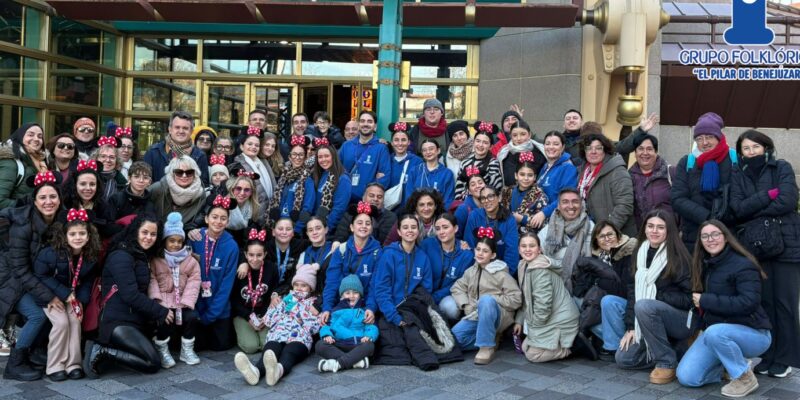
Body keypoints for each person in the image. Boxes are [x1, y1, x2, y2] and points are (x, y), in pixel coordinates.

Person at [730, 129, 800, 377]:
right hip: (756, 247)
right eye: (746, 149)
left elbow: (789, 200)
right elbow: (737, 208)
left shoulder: (781, 167)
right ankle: (769, 355)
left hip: (785, 246)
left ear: (765, 148)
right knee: (766, 303)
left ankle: (786, 358)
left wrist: (754, 209)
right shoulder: (739, 173)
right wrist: (768, 196)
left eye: (755, 147)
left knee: (786, 304)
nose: (751, 152)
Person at [675, 221, 771, 397]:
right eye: (705, 236)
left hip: (754, 334)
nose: (710, 239)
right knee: (687, 377)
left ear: (726, 237)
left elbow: (749, 302)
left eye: (715, 234)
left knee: (715, 332)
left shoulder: (743, 264)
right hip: (716, 333)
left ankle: (744, 377)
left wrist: (706, 300)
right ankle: (730, 364)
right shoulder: (704, 264)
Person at [82, 214, 171, 377]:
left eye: (153, 234)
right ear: (135, 231)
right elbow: (130, 295)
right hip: (116, 322)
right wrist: (161, 311)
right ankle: (102, 350)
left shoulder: (140, 254)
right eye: (145, 232)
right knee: (152, 363)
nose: (149, 237)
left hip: (133, 320)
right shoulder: (121, 255)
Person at [612, 210, 694, 385]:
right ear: (645, 228)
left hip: (681, 320)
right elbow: (633, 292)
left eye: (660, 227)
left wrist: (657, 295)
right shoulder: (639, 253)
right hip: (649, 321)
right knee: (624, 359)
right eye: (650, 226)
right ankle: (677, 350)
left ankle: (666, 362)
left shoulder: (678, 257)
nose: (654, 231)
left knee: (645, 306)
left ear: (669, 231)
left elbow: (689, 299)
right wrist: (630, 327)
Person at [0, 172, 64, 380]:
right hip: (10, 278)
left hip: (29, 278)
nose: (48, 202)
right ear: (34, 201)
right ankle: (14, 364)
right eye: (43, 198)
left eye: (52, 197)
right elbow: (19, 269)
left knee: (48, 310)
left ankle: (34, 353)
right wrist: (49, 295)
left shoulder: (58, 221)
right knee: (38, 314)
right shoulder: (23, 225)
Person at [31, 208, 98, 381]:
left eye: (82, 233)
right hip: (48, 295)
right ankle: (55, 365)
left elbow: (89, 279)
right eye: (73, 234)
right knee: (61, 324)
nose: (78, 237)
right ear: (65, 236)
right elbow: (40, 275)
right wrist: (61, 293)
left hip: (73, 297)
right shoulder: (51, 253)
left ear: (88, 236)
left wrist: (81, 299)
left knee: (75, 321)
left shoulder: (90, 255)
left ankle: (73, 364)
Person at [233, 263, 321, 386]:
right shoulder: (286, 298)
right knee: (270, 350)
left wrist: (299, 316)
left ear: (310, 288)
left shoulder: (313, 302)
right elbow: (270, 318)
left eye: (304, 286)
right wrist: (276, 310)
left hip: (300, 335)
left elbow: (316, 326)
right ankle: (256, 371)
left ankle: (278, 370)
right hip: (279, 331)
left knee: (289, 353)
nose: (299, 288)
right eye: (296, 285)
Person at [372, 214, 441, 369]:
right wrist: (394, 316)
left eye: (413, 227)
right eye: (405, 227)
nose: (410, 230)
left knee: (414, 331)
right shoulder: (389, 254)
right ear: (399, 231)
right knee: (393, 339)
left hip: (412, 309)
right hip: (391, 309)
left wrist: (412, 310)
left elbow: (425, 290)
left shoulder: (423, 257)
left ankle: (425, 357)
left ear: (418, 231)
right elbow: (381, 290)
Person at [451, 227, 522, 364]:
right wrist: (466, 304)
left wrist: (492, 299)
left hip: (497, 316)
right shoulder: (471, 271)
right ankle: (491, 338)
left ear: (493, 255)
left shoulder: (501, 274)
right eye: (478, 249)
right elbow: (457, 287)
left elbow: (516, 298)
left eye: (485, 251)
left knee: (487, 300)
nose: (480, 253)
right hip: (476, 315)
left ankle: (486, 346)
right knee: (454, 341)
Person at [671, 112, 736, 253]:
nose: (704, 142)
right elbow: (677, 198)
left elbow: (740, 194)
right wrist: (707, 218)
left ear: (719, 137)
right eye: (699, 138)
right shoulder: (687, 162)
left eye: (709, 137)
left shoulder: (734, 159)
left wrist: (721, 219)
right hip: (694, 235)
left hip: (729, 233)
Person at [514, 233, 579, 363]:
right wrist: (519, 320)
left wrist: (535, 329)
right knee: (525, 346)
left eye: (532, 246)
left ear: (539, 249)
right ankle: (560, 344)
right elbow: (526, 297)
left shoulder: (539, 269)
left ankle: (573, 347)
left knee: (533, 355)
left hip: (559, 318)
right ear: (519, 249)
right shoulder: (523, 265)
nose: (527, 249)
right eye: (523, 246)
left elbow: (543, 304)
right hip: (547, 317)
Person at [576, 221, 637, 358]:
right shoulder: (597, 258)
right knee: (579, 302)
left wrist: (599, 282)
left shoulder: (628, 253)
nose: (607, 238)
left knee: (608, 301)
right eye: (602, 236)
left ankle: (614, 347)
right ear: (596, 241)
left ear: (618, 235)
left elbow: (626, 289)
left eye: (610, 234)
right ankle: (614, 342)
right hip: (604, 306)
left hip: (627, 305)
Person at [148, 212, 201, 368]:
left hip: (182, 302)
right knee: (164, 319)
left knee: (192, 317)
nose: (176, 245)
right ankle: (162, 349)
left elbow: (194, 281)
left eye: (179, 241)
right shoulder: (156, 260)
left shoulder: (190, 260)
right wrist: (160, 303)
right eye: (172, 241)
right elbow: (152, 280)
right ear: (164, 241)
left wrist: (187, 302)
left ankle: (187, 350)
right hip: (164, 301)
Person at [188, 195, 240, 351]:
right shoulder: (195, 238)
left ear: (228, 222)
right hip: (196, 304)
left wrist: (212, 314)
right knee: (198, 345)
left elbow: (226, 285)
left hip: (218, 308)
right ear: (206, 219)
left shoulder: (232, 246)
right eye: (214, 217)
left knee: (220, 346)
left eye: (223, 218)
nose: (218, 221)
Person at [320, 202, 382, 324]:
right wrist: (327, 308)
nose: (363, 226)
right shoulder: (341, 250)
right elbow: (332, 282)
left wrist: (370, 308)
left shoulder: (378, 253)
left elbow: (375, 284)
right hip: (342, 305)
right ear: (352, 227)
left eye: (367, 223)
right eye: (359, 223)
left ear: (371, 228)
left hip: (364, 306)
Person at [316, 274, 378, 372]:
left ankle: (338, 364)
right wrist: (327, 335)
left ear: (360, 295)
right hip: (339, 344)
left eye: (355, 293)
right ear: (341, 296)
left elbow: (372, 327)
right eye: (347, 293)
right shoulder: (335, 311)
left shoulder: (364, 311)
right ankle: (355, 362)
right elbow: (325, 326)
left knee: (369, 346)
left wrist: (369, 335)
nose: (352, 296)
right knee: (320, 345)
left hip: (358, 343)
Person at [538, 188, 595, 293]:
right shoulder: (546, 233)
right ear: (558, 206)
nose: (571, 206)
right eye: (565, 202)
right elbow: (541, 262)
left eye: (575, 201)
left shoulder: (592, 228)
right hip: (556, 288)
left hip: (586, 286)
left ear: (581, 205)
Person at [578, 133, 636, 236]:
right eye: (589, 148)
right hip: (590, 231)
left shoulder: (618, 171)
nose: (593, 152)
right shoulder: (583, 171)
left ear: (605, 150)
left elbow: (624, 206)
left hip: (614, 235)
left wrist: (607, 231)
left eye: (598, 148)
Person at [231, 229, 277, 354]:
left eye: (259, 255)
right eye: (251, 255)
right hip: (242, 314)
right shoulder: (239, 270)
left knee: (267, 344)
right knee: (251, 347)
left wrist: (264, 316)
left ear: (265, 254)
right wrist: (248, 317)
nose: (255, 259)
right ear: (245, 255)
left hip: (263, 314)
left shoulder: (271, 268)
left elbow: (272, 293)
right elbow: (233, 300)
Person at [421, 213, 473, 321]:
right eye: (438, 228)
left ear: (455, 228)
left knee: (451, 309)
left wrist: (434, 298)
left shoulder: (466, 254)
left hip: (446, 296)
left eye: (445, 227)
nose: (441, 232)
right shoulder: (427, 245)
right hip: (424, 294)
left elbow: (459, 283)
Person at [144, 111, 210, 185]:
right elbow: (145, 182)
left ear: (191, 131)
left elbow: (203, 185)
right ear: (170, 129)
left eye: (185, 128)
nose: (181, 131)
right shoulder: (153, 152)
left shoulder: (200, 155)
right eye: (177, 127)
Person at [465, 186, 520, 274]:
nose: (486, 201)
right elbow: (469, 245)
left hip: (500, 270)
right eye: (483, 198)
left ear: (499, 198)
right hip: (477, 268)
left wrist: (506, 275)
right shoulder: (474, 215)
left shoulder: (509, 219)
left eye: (490, 196)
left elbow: (511, 252)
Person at [265, 136, 315, 233]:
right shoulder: (283, 177)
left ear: (305, 157)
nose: (297, 158)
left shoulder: (307, 180)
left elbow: (307, 209)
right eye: (295, 154)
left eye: (301, 155)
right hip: (278, 228)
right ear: (289, 157)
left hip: (294, 229)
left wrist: (296, 230)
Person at [339, 111, 391, 202]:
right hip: (344, 199)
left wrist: (369, 196)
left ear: (375, 126)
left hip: (367, 202)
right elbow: (336, 170)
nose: (365, 124)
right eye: (362, 121)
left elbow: (384, 177)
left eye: (369, 121)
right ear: (358, 125)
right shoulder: (346, 146)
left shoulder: (381, 148)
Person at [61, 160, 118, 239]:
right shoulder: (65, 203)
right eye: (83, 184)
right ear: (75, 185)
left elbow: (109, 231)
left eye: (92, 184)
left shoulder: (103, 206)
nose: (88, 188)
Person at [534, 131, 578, 230]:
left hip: (557, 222)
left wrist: (544, 213)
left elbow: (566, 198)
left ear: (562, 147)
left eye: (556, 144)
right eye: (548, 143)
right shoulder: (546, 166)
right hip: (541, 220)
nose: (551, 147)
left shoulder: (568, 168)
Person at [629, 133, 673, 228]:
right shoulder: (628, 177)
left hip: (669, 232)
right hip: (640, 235)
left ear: (656, 152)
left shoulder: (670, 173)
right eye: (640, 149)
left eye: (649, 149)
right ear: (635, 153)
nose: (645, 153)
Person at [0, 123, 47, 208]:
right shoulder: (10, 162)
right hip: (16, 219)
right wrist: (32, 207)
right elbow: (1, 201)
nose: (36, 139)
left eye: (40, 136)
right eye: (30, 135)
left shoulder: (42, 162)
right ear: (20, 137)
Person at [149, 156, 207, 225]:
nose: (184, 176)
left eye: (189, 172)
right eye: (179, 172)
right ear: (172, 174)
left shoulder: (200, 195)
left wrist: (190, 229)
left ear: (195, 174)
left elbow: (199, 219)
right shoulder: (158, 188)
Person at [403, 138, 456, 210]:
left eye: (431, 149)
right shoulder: (415, 171)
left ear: (438, 150)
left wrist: (441, 216)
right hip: (417, 214)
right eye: (424, 150)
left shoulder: (447, 174)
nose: (428, 152)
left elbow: (448, 199)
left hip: (439, 215)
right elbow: (409, 196)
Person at [501, 154, 548, 234]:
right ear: (516, 175)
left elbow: (543, 224)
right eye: (522, 174)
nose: (526, 178)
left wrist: (522, 219)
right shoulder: (508, 191)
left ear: (535, 177)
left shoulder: (540, 196)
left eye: (530, 175)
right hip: (507, 235)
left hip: (528, 239)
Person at [455, 125, 502, 199]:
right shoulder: (465, 162)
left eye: (485, 143)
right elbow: (459, 189)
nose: (480, 145)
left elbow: (495, 188)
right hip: (466, 204)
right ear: (473, 142)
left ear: (491, 146)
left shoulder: (493, 163)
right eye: (478, 141)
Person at [312, 144, 351, 231]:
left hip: (329, 229)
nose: (323, 160)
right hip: (317, 225)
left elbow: (339, 209)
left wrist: (327, 228)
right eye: (320, 157)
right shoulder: (323, 174)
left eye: (326, 156)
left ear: (333, 157)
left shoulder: (343, 179)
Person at [266, 218, 309, 296]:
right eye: (280, 229)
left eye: (288, 229)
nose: (284, 232)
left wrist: (336, 242)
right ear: (273, 232)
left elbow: (317, 242)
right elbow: (248, 248)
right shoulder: (266, 247)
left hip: (289, 290)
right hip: (267, 290)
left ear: (293, 233)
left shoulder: (301, 245)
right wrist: (244, 262)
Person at [497, 120, 545, 187]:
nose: (519, 138)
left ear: (529, 135)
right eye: (515, 135)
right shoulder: (504, 154)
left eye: (523, 134)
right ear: (511, 136)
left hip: (536, 194)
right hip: (511, 194)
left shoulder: (540, 152)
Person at [387, 122, 423, 210]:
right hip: (389, 208)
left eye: (403, 140)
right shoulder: (386, 160)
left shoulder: (417, 161)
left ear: (408, 142)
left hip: (409, 209)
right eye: (396, 140)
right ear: (391, 143)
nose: (400, 143)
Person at [233, 128, 273, 205]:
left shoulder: (264, 161)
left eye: (257, 145)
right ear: (242, 146)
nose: (254, 147)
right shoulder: (237, 165)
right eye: (250, 144)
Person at [109, 161, 155, 226]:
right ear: (129, 178)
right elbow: (108, 225)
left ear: (149, 182)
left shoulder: (150, 203)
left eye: (145, 178)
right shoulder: (116, 199)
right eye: (136, 176)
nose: (141, 180)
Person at [454, 167, 486, 239]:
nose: (478, 186)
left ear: (485, 185)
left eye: (480, 182)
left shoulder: (491, 205)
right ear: (469, 190)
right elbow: (456, 236)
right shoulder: (463, 209)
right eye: (473, 184)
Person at [93, 136, 128, 202]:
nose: (108, 160)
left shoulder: (122, 182)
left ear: (117, 160)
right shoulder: (88, 177)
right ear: (96, 158)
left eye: (112, 157)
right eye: (103, 156)